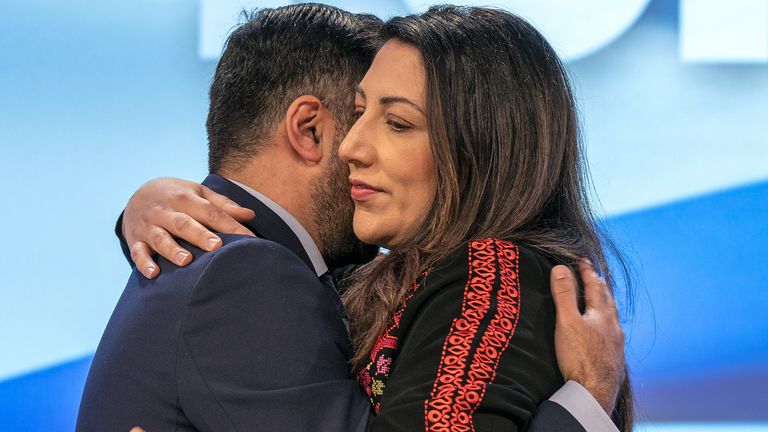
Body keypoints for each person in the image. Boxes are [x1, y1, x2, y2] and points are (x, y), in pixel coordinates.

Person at [108, 4, 630, 432]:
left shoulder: (491, 272)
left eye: (397, 122)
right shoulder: (261, 274)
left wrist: (584, 408)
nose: (352, 147)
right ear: (309, 128)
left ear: (483, 146)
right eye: (358, 113)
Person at [76, 5, 381, 431]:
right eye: (374, 121)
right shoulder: (248, 274)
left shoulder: (221, 262)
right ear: (310, 129)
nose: (385, 154)